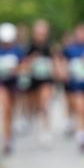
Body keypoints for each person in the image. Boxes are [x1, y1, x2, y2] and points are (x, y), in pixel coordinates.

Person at [60, 23, 84, 152]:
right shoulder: (70, 49)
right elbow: (63, 62)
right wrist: (63, 72)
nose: (82, 35)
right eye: (79, 32)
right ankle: (81, 134)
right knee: (81, 108)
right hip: (76, 85)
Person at [0, 23, 24, 155]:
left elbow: (23, 66)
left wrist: (16, 70)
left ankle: (9, 133)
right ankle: (6, 139)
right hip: (0, 84)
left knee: (10, 110)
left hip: (13, 84)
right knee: (4, 109)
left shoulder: (18, 50)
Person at [22, 19, 57, 147]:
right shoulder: (29, 47)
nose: (41, 35)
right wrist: (31, 60)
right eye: (39, 32)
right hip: (33, 80)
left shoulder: (50, 47)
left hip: (46, 80)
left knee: (45, 103)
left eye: (43, 33)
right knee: (35, 105)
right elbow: (23, 65)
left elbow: (56, 63)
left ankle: (46, 128)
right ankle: (32, 120)